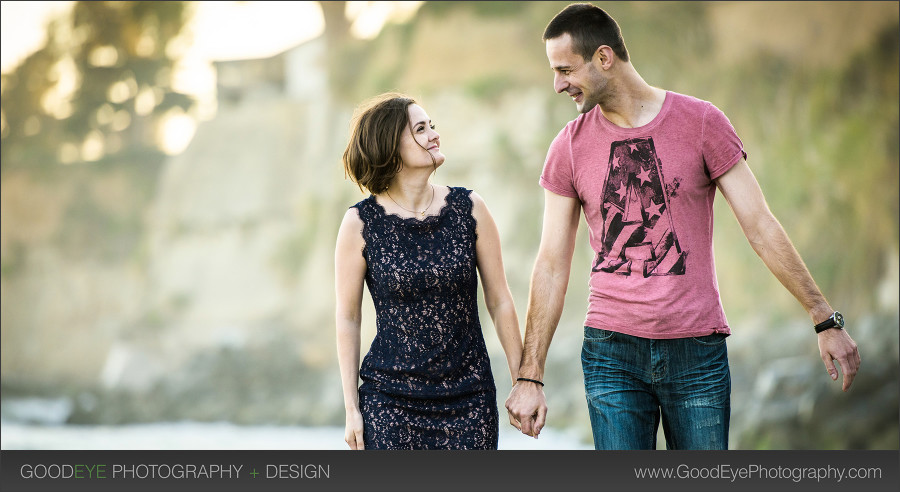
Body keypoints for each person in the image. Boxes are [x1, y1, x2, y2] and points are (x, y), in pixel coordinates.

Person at [505, 3, 861, 450]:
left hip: (697, 351)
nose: (558, 85)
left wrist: (823, 319)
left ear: (603, 58)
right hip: (611, 352)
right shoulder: (569, 146)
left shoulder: (701, 122)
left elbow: (760, 225)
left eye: (565, 70)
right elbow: (552, 263)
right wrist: (529, 375)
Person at [335, 92, 523, 450]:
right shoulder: (359, 223)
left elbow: (500, 301)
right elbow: (348, 318)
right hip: (389, 403)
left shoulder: (470, 208)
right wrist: (351, 409)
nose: (434, 134)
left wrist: (523, 382)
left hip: (470, 402)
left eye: (431, 125)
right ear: (391, 147)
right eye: (421, 129)